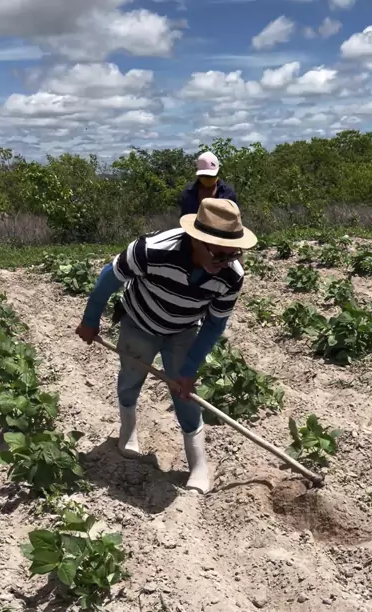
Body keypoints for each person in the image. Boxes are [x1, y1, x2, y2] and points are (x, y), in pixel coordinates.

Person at [75, 198, 257, 495]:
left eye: (233, 253)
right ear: (196, 239)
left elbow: (214, 325)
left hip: (184, 330)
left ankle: (197, 463)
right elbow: (109, 277)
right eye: (219, 253)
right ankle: (128, 430)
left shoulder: (232, 275)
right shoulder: (151, 249)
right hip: (139, 321)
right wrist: (90, 320)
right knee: (131, 377)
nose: (225, 261)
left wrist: (190, 368)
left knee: (185, 394)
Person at [180, 151, 237, 216]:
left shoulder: (228, 193)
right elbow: (185, 216)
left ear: (218, 172)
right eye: (204, 175)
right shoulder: (188, 193)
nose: (207, 179)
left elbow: (234, 217)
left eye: (210, 176)